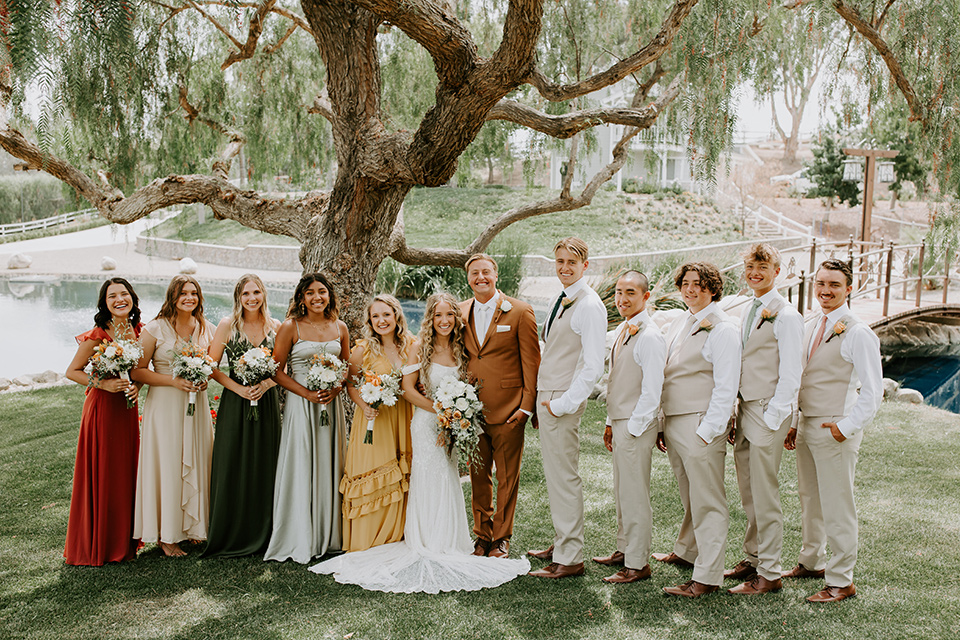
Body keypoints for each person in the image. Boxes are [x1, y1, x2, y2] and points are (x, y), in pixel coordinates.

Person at [309, 292, 530, 593]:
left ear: (456, 318)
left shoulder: (461, 347)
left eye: (449, 315)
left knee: (448, 477)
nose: (443, 321)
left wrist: (455, 416)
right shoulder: (419, 348)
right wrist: (442, 411)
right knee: (428, 477)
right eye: (438, 316)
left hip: (451, 423)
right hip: (427, 423)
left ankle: (451, 540)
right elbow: (408, 390)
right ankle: (425, 540)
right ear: (430, 318)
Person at [783, 259, 882, 603]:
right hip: (808, 424)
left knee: (838, 504)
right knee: (810, 498)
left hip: (835, 427)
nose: (825, 290)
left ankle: (841, 580)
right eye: (821, 283)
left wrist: (846, 426)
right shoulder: (810, 322)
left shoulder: (857, 332)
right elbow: (801, 377)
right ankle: (812, 561)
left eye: (834, 285)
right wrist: (795, 422)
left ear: (849, 289)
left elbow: (873, 391)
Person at [654, 262, 740, 597]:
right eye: (686, 284)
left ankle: (706, 577)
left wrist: (709, 430)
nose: (691, 290)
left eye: (699, 284)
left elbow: (726, 384)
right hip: (676, 419)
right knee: (689, 494)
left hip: (700, 421)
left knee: (708, 501)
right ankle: (688, 551)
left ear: (713, 288)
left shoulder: (723, 328)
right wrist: (663, 422)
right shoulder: (680, 321)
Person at [528, 237, 607, 579]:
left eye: (571, 263)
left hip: (560, 399)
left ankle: (571, 555)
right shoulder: (563, 298)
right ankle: (563, 541)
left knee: (565, 477)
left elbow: (593, 366)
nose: (564, 267)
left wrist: (563, 404)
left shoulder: (589, 305)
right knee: (555, 476)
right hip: (548, 395)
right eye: (559, 261)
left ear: (585, 266)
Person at [726, 244, 803, 594]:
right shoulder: (750, 309)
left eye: (762, 267)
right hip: (745, 409)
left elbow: (791, 371)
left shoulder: (785, 315)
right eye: (750, 267)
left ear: (777, 271)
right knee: (748, 490)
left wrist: (775, 417)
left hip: (767, 411)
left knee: (765, 492)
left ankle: (770, 573)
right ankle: (754, 557)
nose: (754, 272)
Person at [264, 273, 350, 563]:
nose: (317, 297)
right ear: (301, 297)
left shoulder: (340, 327)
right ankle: (300, 534)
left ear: (329, 296)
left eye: (322, 292)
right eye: (310, 293)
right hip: (302, 407)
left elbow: (347, 367)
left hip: (331, 407)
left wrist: (335, 387)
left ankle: (331, 535)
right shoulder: (291, 327)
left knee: (329, 462)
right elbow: (275, 371)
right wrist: (306, 393)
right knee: (302, 462)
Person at [460, 253, 540, 559]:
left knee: (507, 477)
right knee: (478, 475)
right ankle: (482, 535)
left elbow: (532, 362)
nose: (480, 278)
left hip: (509, 410)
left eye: (486, 273)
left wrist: (526, 407)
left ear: (497, 276)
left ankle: (501, 537)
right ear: (468, 279)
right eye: (474, 273)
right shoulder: (459, 311)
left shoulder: (520, 311)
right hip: (469, 411)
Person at [132, 275, 216, 557]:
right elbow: (138, 371)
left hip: (196, 405)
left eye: (194, 293)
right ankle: (167, 536)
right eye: (183, 293)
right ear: (173, 297)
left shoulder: (207, 328)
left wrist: (204, 381)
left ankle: (193, 527)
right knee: (169, 464)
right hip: (165, 404)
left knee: (197, 458)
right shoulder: (155, 329)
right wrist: (173, 381)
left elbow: (212, 368)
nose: (189, 298)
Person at [63, 277, 143, 565]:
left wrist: (137, 387)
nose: (120, 299)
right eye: (113, 296)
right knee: (104, 471)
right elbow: (72, 371)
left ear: (132, 298)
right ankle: (100, 543)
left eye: (124, 294)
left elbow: (138, 373)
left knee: (125, 471)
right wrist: (103, 385)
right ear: (105, 303)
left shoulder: (139, 332)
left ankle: (124, 541)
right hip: (102, 411)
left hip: (127, 410)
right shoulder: (99, 334)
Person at [203, 274, 282, 558]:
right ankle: (231, 531)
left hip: (266, 401)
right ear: (238, 297)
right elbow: (211, 368)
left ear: (264, 295)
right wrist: (239, 389)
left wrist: (265, 385)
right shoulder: (227, 326)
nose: (252, 298)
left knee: (265, 462)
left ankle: (266, 532)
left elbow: (283, 370)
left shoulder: (276, 327)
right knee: (232, 460)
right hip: (235, 404)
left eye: (256, 292)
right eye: (246, 293)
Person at [594, 270, 666, 584]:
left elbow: (653, 389)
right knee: (623, 491)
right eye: (619, 293)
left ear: (645, 297)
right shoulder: (625, 330)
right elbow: (617, 382)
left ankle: (638, 563)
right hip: (621, 420)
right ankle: (624, 550)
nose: (622, 299)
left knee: (635, 494)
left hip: (636, 425)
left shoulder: (649, 336)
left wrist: (634, 428)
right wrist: (611, 423)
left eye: (630, 293)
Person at [339, 295, 415, 551]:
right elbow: (350, 383)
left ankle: (399, 532)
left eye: (386, 315)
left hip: (404, 417)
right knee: (375, 468)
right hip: (375, 419)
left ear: (397, 316)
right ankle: (370, 537)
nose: (381, 321)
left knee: (402, 470)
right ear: (369, 321)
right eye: (376, 316)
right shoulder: (363, 349)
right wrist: (364, 405)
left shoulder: (412, 345)